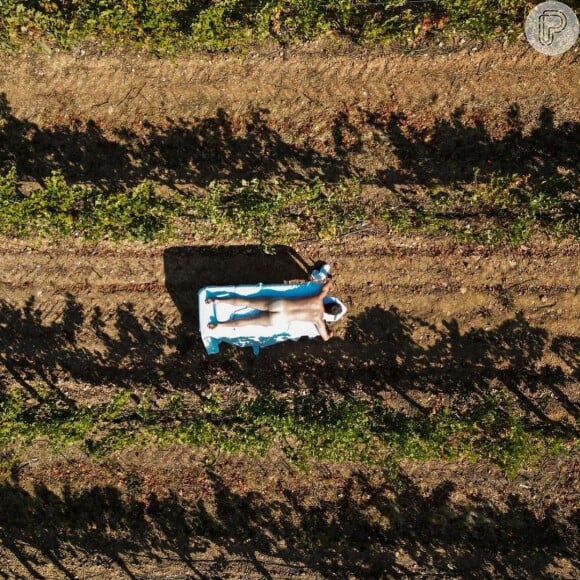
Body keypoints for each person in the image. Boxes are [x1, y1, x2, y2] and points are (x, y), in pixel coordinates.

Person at [206, 279, 339, 340]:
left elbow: (327, 284)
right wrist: (330, 333)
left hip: (281, 304)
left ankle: (216, 300)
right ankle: (218, 325)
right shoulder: (318, 320)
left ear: (329, 302)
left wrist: (330, 285)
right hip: (281, 319)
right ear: (328, 314)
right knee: (248, 321)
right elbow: (325, 337)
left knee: (247, 301)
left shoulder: (319, 298)